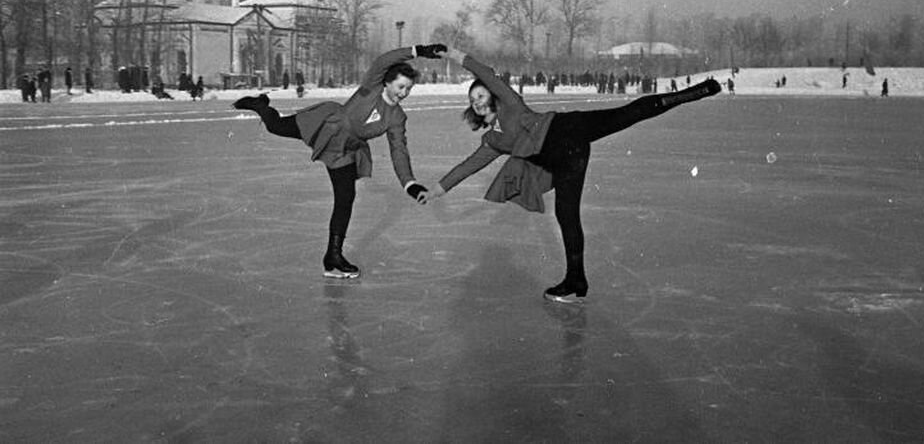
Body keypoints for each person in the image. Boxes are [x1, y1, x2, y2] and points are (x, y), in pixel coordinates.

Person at [424, 49, 721, 303]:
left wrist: (452, 54)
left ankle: (691, 94)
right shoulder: (492, 141)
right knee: (567, 216)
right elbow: (468, 166)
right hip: (567, 159)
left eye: (480, 94)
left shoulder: (510, 105)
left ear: (491, 95)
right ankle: (576, 280)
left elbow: (484, 71)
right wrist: (437, 190)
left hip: (567, 129)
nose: (476, 101)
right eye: (472, 99)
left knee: (626, 114)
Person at [232, 45, 447, 278]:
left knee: (345, 198)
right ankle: (261, 105)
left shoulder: (396, 116)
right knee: (275, 127)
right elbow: (385, 59)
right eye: (401, 86)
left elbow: (398, 150)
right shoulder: (370, 88)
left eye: (408, 89)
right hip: (326, 124)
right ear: (387, 82)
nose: (404, 93)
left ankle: (333, 256)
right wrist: (419, 50)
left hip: (345, 150)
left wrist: (409, 183)